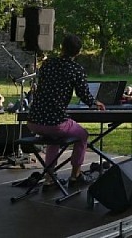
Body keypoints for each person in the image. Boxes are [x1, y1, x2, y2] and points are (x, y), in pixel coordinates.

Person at [26, 34, 106, 185]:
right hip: (54, 123)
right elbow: (84, 94)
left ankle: (49, 179)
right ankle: (76, 175)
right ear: (78, 52)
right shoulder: (76, 69)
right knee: (82, 135)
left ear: (62, 48)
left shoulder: (47, 64)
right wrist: (95, 103)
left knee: (53, 140)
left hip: (33, 120)